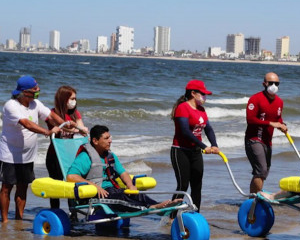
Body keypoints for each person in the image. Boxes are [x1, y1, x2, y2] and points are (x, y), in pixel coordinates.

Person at [0, 75, 64, 223]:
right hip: (10, 154)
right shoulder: (11, 105)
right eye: (35, 89)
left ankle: (19, 218)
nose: (38, 90)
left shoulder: (36, 103)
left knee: (23, 188)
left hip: (28, 155)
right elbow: (27, 124)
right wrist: (47, 132)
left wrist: (65, 124)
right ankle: (4, 221)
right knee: (6, 188)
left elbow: (51, 115)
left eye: (37, 87)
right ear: (24, 91)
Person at [66, 125, 176, 210]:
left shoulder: (110, 156)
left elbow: (123, 173)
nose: (110, 140)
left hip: (112, 190)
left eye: (110, 137)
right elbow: (71, 176)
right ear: (95, 141)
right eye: (106, 138)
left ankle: (158, 205)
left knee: (133, 193)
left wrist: (130, 186)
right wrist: (95, 186)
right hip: (95, 195)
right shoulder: (85, 157)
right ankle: (151, 208)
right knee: (121, 198)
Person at [170, 79, 219, 211]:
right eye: (202, 94)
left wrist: (214, 145)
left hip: (195, 152)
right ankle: (172, 215)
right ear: (193, 93)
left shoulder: (201, 109)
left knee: (197, 185)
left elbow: (208, 128)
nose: (205, 97)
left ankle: (195, 214)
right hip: (180, 151)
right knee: (183, 185)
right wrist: (204, 146)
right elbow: (185, 131)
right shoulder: (182, 108)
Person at [45, 85, 88, 211]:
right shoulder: (52, 114)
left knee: (71, 183)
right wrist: (75, 128)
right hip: (55, 156)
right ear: (64, 99)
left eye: (75, 98)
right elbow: (61, 126)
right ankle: (55, 212)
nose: (74, 101)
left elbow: (83, 130)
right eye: (72, 98)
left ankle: (73, 213)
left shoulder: (75, 114)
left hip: (70, 155)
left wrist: (79, 128)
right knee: (56, 185)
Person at [245, 72, 288, 194]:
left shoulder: (279, 102)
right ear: (264, 84)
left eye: (277, 83)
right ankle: (254, 200)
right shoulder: (255, 99)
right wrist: (270, 123)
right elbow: (250, 119)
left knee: (265, 171)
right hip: (254, 139)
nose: (274, 85)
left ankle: (255, 196)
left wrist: (282, 125)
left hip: (267, 141)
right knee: (261, 170)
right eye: (271, 83)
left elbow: (278, 119)